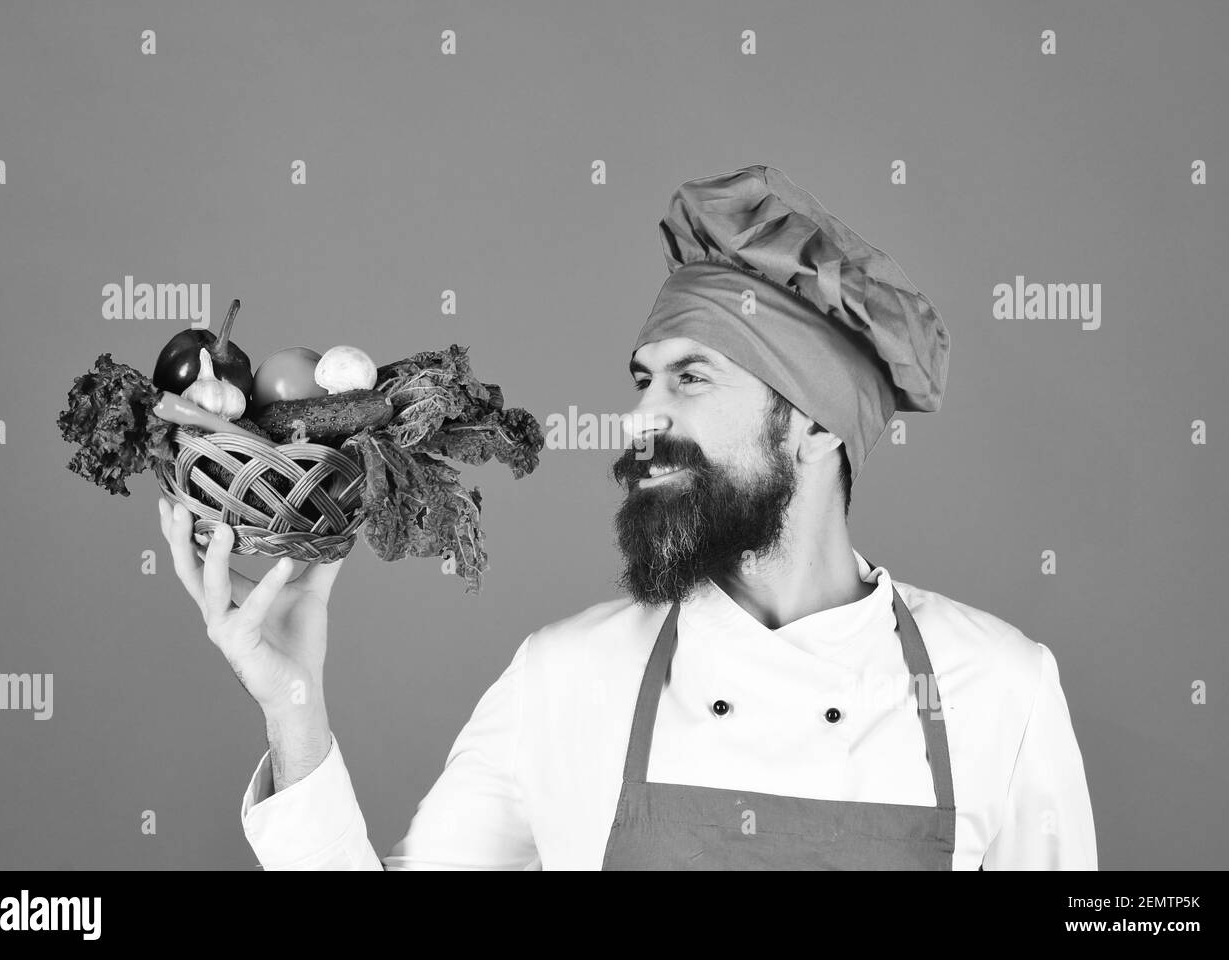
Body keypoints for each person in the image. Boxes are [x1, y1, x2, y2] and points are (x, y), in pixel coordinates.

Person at [158, 165, 1097, 870]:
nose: (643, 420)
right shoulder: (567, 679)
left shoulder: (998, 690)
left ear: (814, 427)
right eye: (642, 380)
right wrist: (295, 705)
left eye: (692, 379)